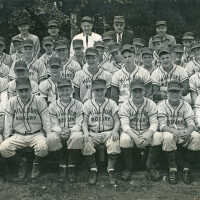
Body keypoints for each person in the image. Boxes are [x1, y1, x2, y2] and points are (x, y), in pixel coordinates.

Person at [0, 77, 49, 180]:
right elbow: (8, 121)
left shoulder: (39, 100)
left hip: (36, 134)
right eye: (21, 90)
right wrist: (7, 136)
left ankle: (36, 164)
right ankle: (21, 163)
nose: (24, 93)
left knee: (43, 147)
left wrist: (47, 134)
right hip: (18, 135)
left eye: (26, 90)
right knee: (3, 148)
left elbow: (46, 119)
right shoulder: (12, 101)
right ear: (17, 91)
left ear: (31, 89)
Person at [157, 80, 200, 184]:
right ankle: (172, 168)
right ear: (167, 93)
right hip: (169, 132)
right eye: (172, 92)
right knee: (168, 137)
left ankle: (186, 168)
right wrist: (174, 131)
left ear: (181, 93)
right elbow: (162, 125)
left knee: (196, 137)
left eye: (177, 92)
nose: (174, 94)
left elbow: (191, 123)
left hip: (184, 132)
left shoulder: (186, 105)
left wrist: (188, 131)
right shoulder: (162, 105)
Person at [119, 78, 161, 181]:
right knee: (124, 139)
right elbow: (125, 126)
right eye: (135, 91)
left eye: (140, 90)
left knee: (158, 136)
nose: (137, 94)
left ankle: (150, 166)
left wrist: (148, 134)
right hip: (131, 132)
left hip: (146, 131)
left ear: (144, 91)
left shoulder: (151, 104)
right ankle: (128, 168)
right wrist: (135, 137)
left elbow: (154, 123)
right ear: (130, 91)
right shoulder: (125, 105)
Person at [82, 79, 120, 185]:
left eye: (101, 90)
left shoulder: (111, 103)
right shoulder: (88, 104)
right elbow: (84, 122)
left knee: (114, 144)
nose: (99, 92)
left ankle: (111, 169)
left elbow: (117, 121)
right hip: (93, 132)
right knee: (86, 143)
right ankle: (93, 169)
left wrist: (115, 130)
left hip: (108, 132)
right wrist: (85, 132)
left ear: (105, 90)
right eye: (97, 90)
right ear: (93, 91)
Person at [48, 78, 84, 183]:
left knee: (77, 137)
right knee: (50, 138)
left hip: (73, 130)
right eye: (62, 90)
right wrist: (60, 131)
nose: (65, 92)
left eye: (67, 89)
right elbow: (53, 123)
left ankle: (72, 164)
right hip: (59, 131)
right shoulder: (53, 105)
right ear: (58, 91)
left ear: (72, 90)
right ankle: (62, 164)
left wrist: (70, 130)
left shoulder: (78, 104)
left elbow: (79, 122)